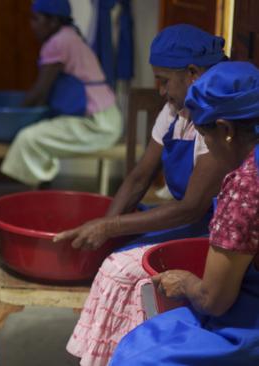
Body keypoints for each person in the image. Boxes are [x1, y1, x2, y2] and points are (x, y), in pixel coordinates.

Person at [56, 24, 230, 365]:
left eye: (165, 80)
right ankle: (113, 357)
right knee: (113, 255)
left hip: (213, 227)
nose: (161, 90)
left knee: (122, 271)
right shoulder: (173, 112)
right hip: (186, 216)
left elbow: (191, 209)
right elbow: (138, 177)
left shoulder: (215, 120)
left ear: (193, 74)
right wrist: (105, 229)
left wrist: (109, 228)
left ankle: (133, 356)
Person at [111, 61, 259, 365]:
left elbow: (214, 301)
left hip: (249, 327)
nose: (207, 146)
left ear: (226, 130)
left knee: (136, 352)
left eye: (206, 137)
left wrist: (186, 283)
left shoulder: (245, 187)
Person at [0, 0, 122, 187]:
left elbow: (40, 91)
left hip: (96, 126)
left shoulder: (58, 43)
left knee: (28, 138)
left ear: (53, 21)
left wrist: (10, 116)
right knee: (39, 133)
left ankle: (41, 194)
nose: (32, 25)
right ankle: (43, 188)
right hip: (107, 120)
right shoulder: (70, 35)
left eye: (36, 19)